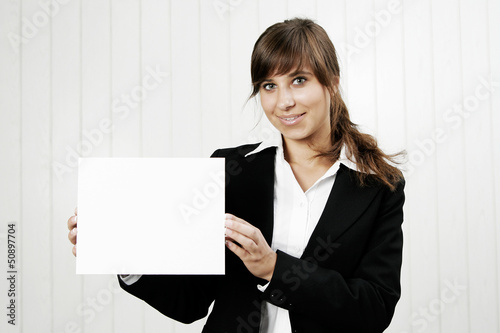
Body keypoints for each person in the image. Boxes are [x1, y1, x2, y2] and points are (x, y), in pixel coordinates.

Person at [68, 18, 405, 333]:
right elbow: (191, 300)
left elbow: (374, 308)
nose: (284, 101)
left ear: (332, 81)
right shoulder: (230, 170)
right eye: (269, 86)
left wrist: (274, 269)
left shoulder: (379, 186)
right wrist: (124, 255)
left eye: (298, 80)